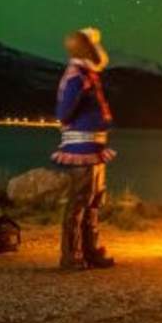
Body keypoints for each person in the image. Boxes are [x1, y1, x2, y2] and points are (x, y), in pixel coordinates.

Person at [52, 27, 117, 271]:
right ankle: (71, 255)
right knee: (79, 201)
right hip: (81, 148)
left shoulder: (87, 74)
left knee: (93, 201)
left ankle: (90, 251)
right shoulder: (77, 76)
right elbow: (63, 112)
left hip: (94, 145)